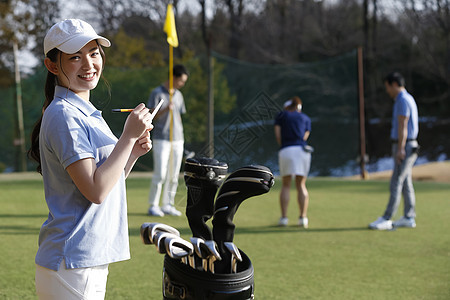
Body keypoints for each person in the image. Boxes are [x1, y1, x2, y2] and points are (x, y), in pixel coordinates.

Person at [28, 19, 153, 299]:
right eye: (75, 57)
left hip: (85, 260)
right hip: (71, 261)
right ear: (52, 66)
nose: (88, 64)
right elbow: (94, 191)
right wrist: (127, 138)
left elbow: (107, 183)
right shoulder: (64, 115)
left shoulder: (83, 111)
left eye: (94, 53)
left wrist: (131, 152)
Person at [369, 72, 419, 230]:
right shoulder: (408, 98)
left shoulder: (402, 100)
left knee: (396, 182)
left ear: (394, 84)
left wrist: (401, 149)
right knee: (406, 182)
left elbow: (403, 125)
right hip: (410, 144)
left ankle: (386, 218)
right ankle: (409, 217)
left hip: (404, 145)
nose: (387, 91)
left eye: (387, 87)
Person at [147, 64, 189, 217]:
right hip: (161, 139)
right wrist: (166, 108)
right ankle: (153, 205)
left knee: (173, 175)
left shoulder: (178, 95)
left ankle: (167, 204)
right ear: (173, 77)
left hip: (178, 139)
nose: (182, 84)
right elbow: (151, 116)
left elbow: (179, 115)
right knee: (160, 174)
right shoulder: (156, 93)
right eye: (181, 81)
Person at [274, 96, 312, 228]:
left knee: (286, 185)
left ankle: (284, 218)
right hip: (302, 151)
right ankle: (303, 218)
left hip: (287, 150)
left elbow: (278, 136)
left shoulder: (281, 115)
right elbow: (304, 137)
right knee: (301, 184)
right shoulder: (305, 118)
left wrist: (284, 146)